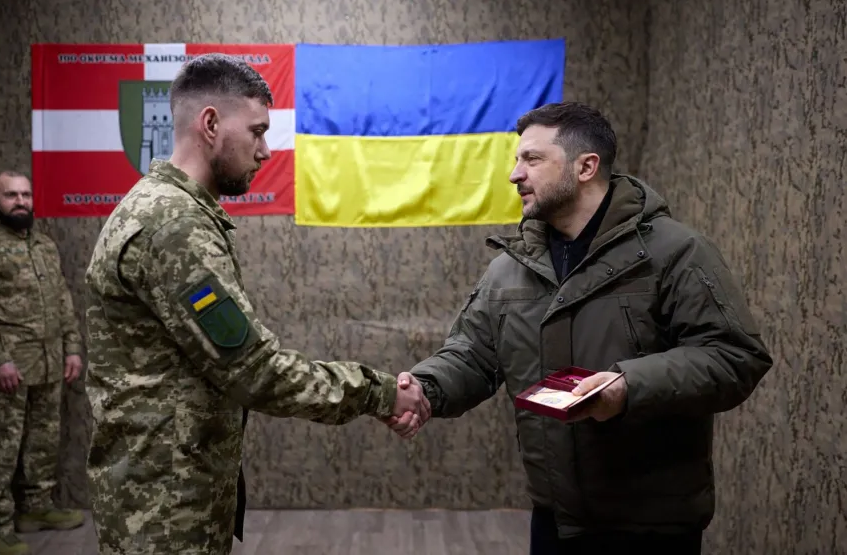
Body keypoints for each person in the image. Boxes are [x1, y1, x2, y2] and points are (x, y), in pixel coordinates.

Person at [386, 102, 774, 555]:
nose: (515, 174)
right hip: (553, 518)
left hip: (651, 524)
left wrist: (627, 387)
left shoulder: (674, 252)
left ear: (586, 166)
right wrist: (425, 388)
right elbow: (471, 355)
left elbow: (734, 357)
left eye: (531, 159)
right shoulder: (508, 270)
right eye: (517, 160)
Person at [83, 53, 430, 555]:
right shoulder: (173, 226)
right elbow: (255, 371)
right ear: (210, 124)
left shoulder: (167, 209)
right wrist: (378, 393)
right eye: (258, 131)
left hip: (166, 485)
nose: (265, 150)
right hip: (163, 506)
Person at [0, 171, 86, 555]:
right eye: (10, 195)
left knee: (42, 442)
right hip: (9, 367)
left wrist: (72, 347)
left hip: (48, 362)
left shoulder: (45, 245)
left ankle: (35, 508)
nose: (19, 202)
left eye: (25, 195)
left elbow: (62, 299)